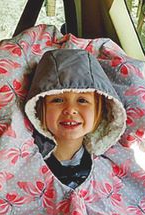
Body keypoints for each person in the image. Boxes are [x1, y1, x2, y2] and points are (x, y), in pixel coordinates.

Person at [24, 49, 126, 189]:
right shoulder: (25, 160)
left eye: (82, 100)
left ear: (100, 109)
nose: (70, 109)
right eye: (58, 100)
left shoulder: (109, 163)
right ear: (39, 107)